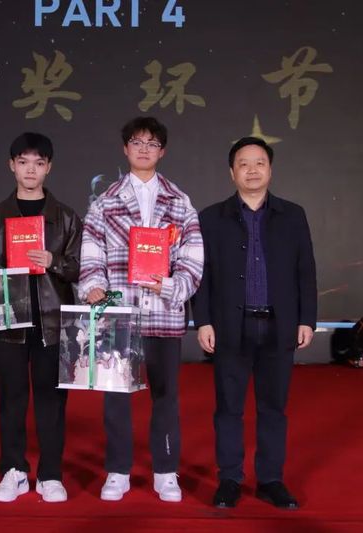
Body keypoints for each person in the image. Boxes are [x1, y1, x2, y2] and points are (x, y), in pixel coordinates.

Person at [79, 116, 204, 502]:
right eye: (137, 142)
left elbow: (193, 258)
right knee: (116, 398)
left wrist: (170, 286)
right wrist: (94, 286)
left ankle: (166, 472)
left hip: (164, 314)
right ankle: (117, 471)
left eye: (152, 143)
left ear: (162, 151)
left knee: (165, 397)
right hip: (121, 314)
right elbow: (91, 253)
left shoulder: (180, 202)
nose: (144, 149)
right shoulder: (105, 202)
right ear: (125, 149)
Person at [192, 136, 317, 509]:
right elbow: (202, 275)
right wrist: (203, 321)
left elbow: (305, 270)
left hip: (279, 326)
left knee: (273, 408)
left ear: (270, 170)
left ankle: (271, 480)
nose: (251, 170)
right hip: (230, 326)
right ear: (232, 172)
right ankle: (229, 478)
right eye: (243, 164)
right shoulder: (210, 218)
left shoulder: (293, 215)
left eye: (259, 162)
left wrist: (306, 319)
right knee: (228, 408)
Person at [0, 132, 82, 503]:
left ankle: (50, 475)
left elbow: (83, 267)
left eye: (39, 163)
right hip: (8, 323)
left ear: (49, 168)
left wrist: (54, 261)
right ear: (11, 166)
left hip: (53, 322)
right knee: (11, 400)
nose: (31, 170)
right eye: (23, 162)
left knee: (52, 402)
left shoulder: (65, 217)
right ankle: (13, 471)